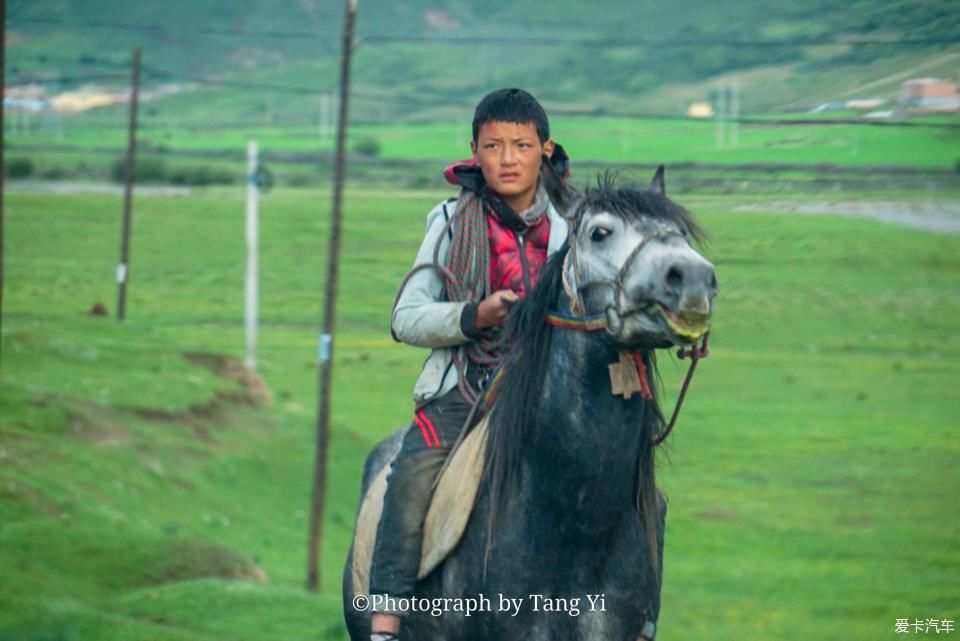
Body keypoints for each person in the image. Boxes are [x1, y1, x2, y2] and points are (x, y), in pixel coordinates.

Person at [367, 88, 571, 641]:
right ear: (474, 152)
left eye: (522, 145)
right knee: (410, 476)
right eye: (494, 145)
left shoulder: (576, 230)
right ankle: (385, 621)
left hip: (551, 389)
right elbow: (405, 318)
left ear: (545, 151)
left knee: (630, 479)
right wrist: (474, 314)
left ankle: (636, 615)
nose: (508, 158)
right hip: (467, 385)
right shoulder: (452, 221)